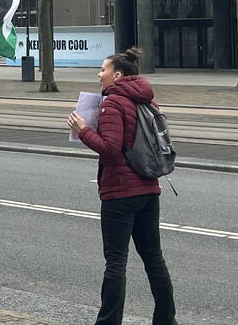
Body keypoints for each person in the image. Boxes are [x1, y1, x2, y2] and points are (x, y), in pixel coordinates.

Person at [67, 47, 177, 325]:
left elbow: (111, 150)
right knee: (154, 258)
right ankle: (166, 320)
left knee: (116, 262)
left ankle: (107, 322)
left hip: (120, 193)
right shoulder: (148, 101)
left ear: (117, 75)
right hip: (149, 188)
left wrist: (83, 131)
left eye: (103, 69)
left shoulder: (113, 103)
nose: (99, 74)